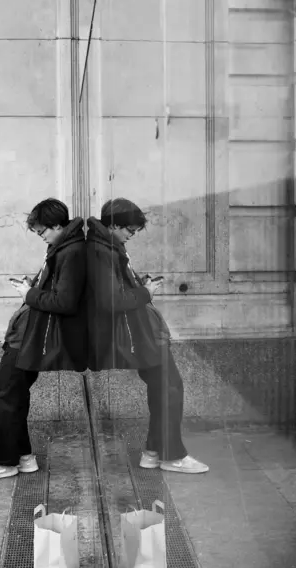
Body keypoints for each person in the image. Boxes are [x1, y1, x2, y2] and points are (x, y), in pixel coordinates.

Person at [86, 198, 208, 474]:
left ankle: (155, 452)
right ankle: (170, 456)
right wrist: (146, 292)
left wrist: (141, 286)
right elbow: (112, 301)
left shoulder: (108, 247)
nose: (132, 234)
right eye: (129, 229)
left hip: (136, 331)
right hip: (135, 333)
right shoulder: (102, 251)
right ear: (114, 224)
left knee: (165, 389)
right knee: (170, 387)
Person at [0, 198, 87, 482]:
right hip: (30, 331)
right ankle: (22, 456)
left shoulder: (71, 251)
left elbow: (66, 302)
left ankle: (6, 461)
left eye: (42, 231)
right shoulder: (62, 247)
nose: (41, 236)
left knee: (7, 393)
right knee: (8, 392)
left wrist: (28, 294)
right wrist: (30, 287)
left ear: (57, 225)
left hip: (35, 334)